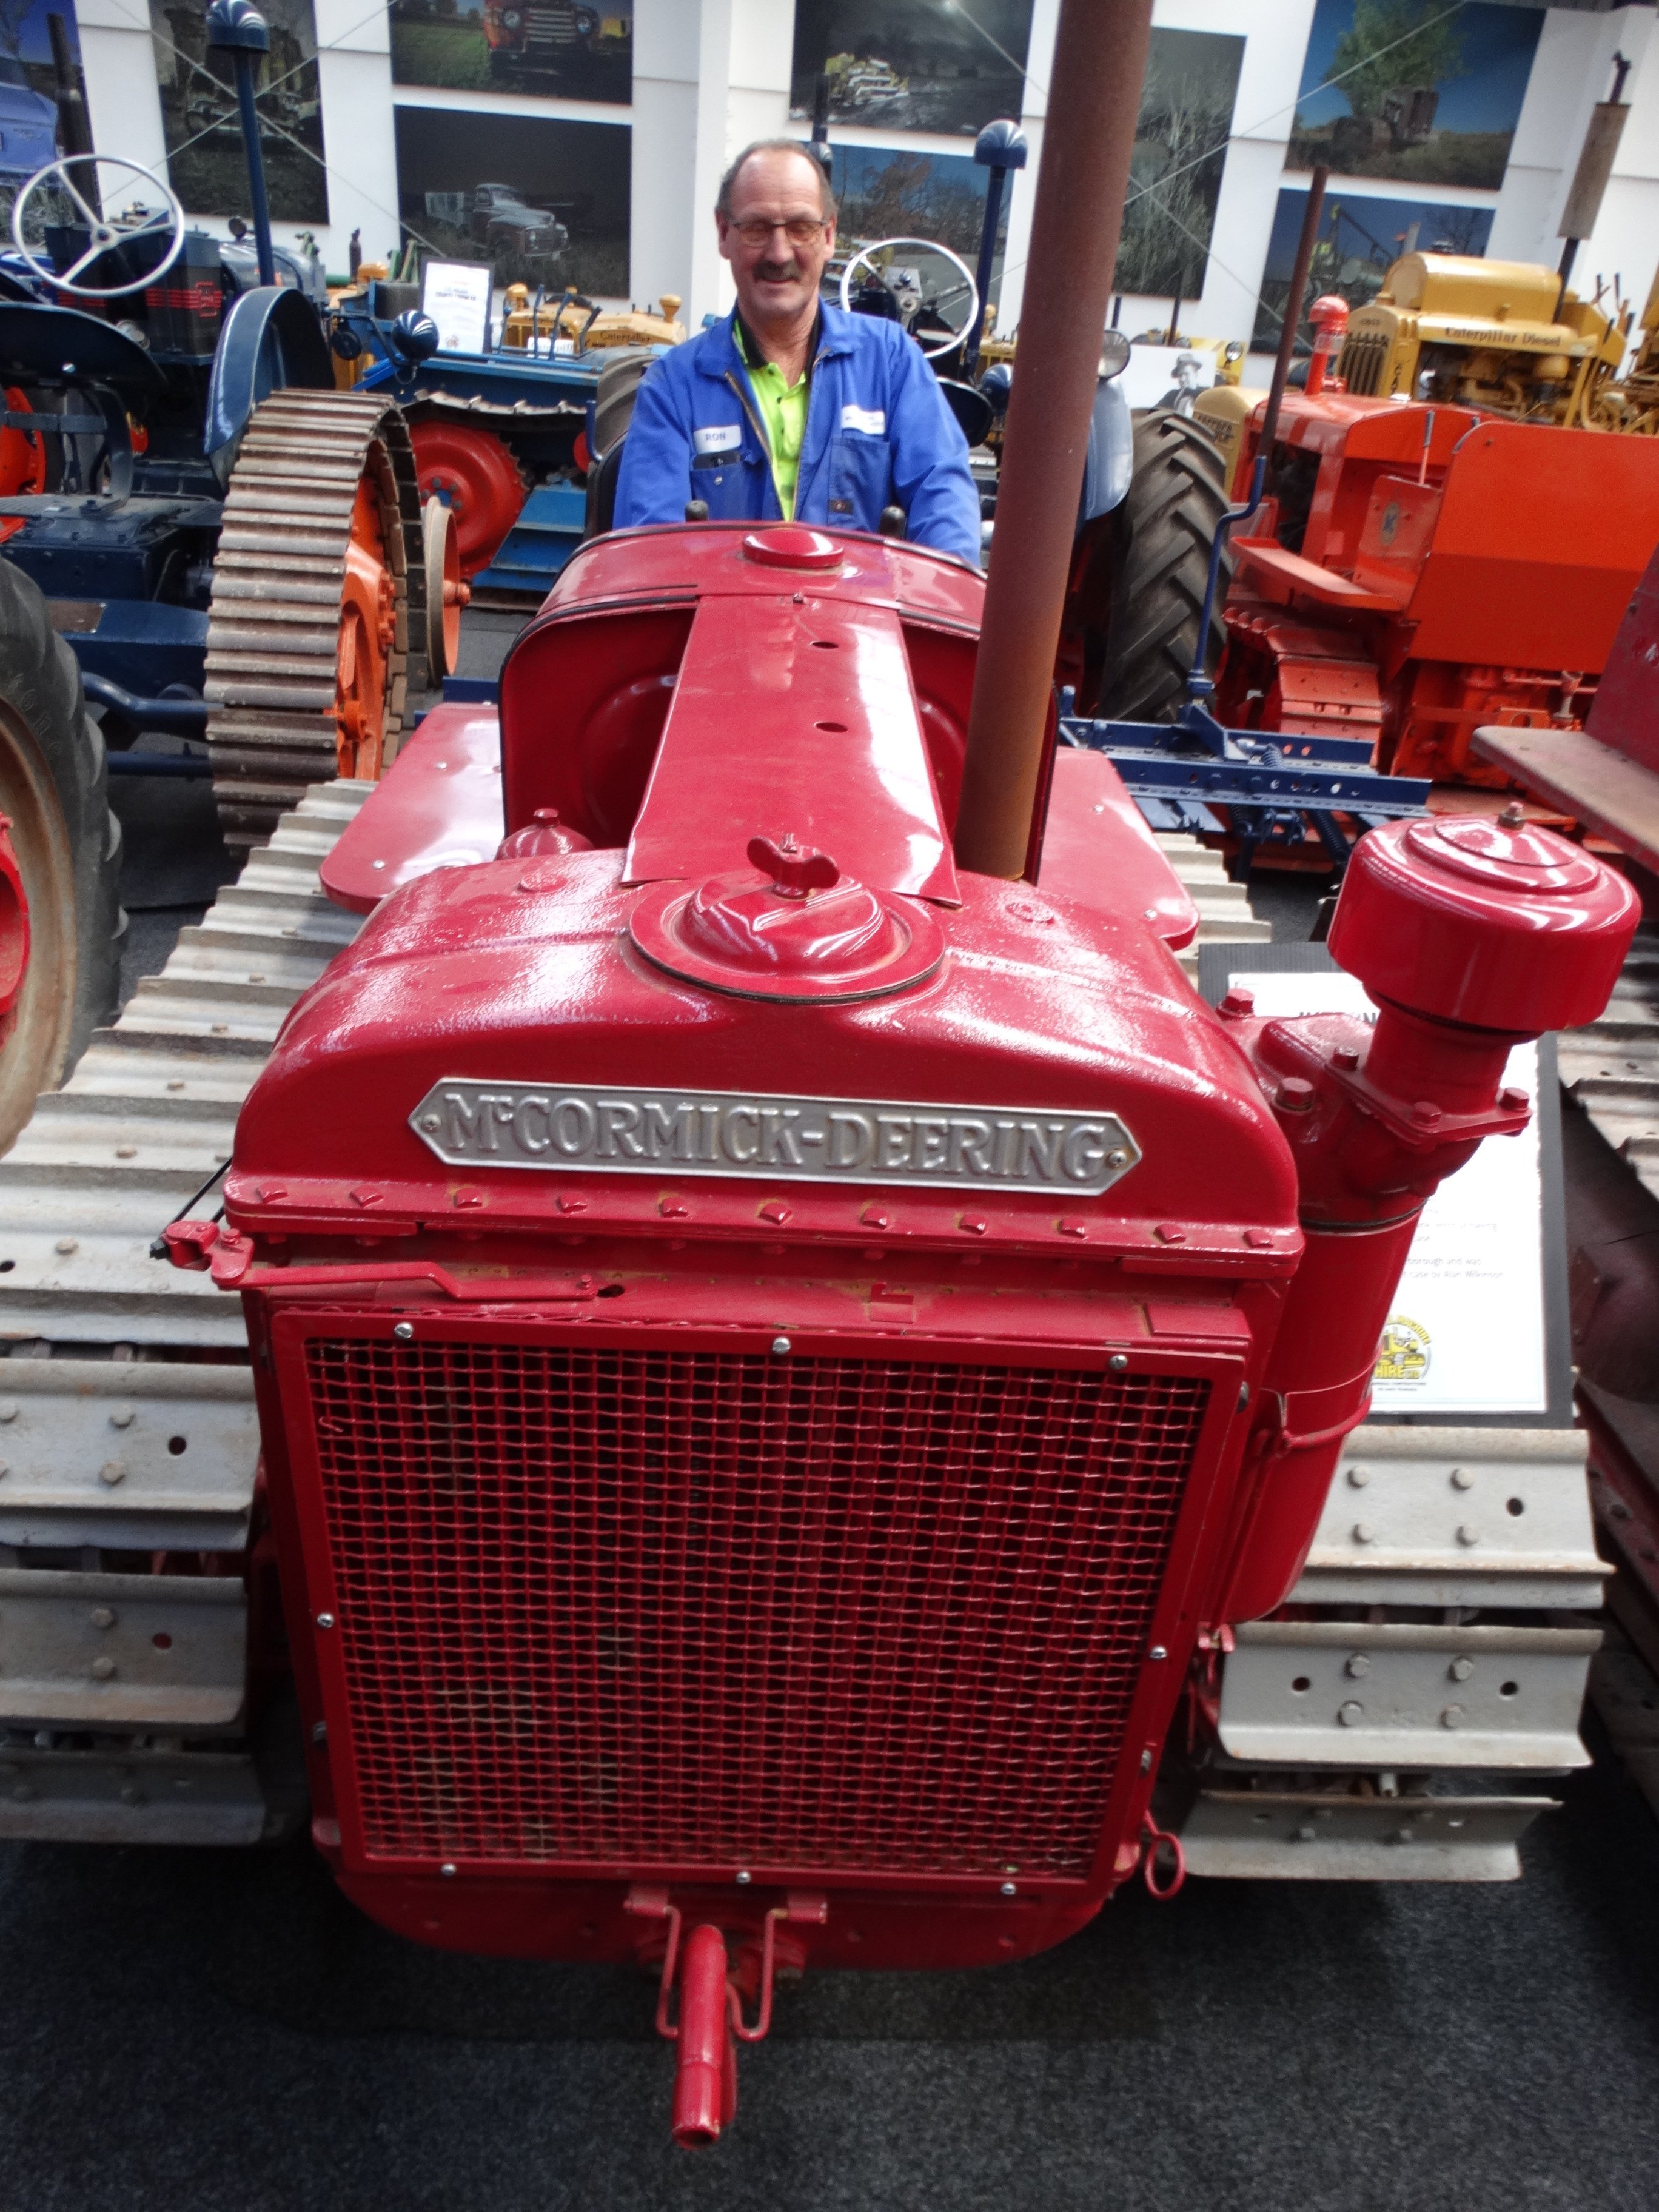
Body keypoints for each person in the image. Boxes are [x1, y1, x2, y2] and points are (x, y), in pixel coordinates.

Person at [612, 139, 982, 566]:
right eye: (757, 228)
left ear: (828, 236)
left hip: (862, 628)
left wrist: (928, 609)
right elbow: (649, 554)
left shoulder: (892, 362)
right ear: (723, 233)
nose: (779, 253)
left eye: (800, 228)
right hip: (724, 629)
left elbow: (945, 505)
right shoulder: (674, 386)